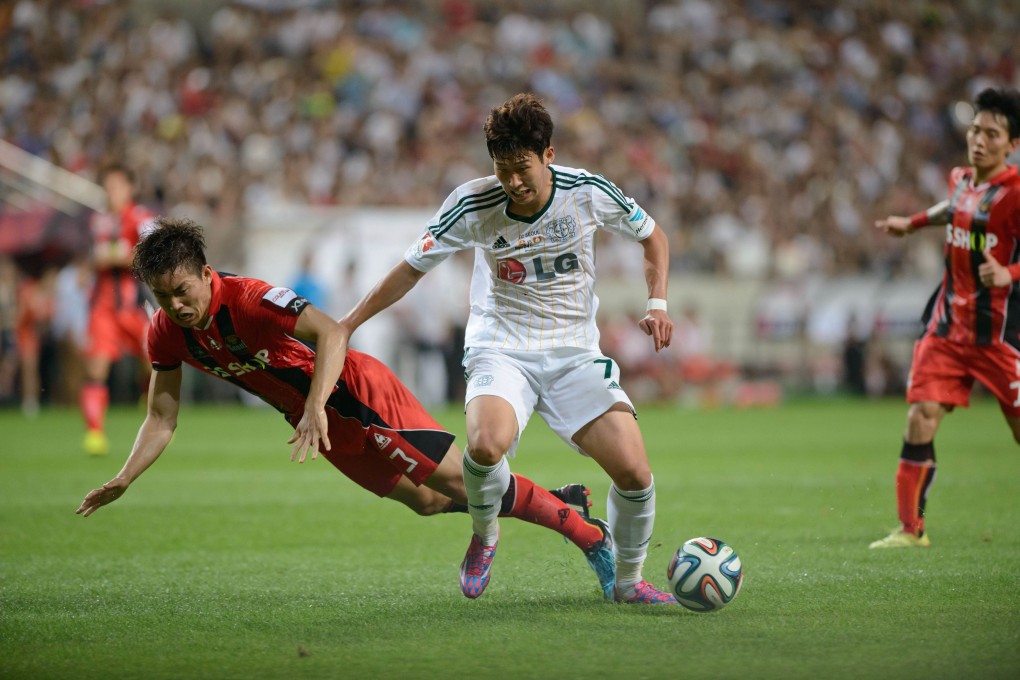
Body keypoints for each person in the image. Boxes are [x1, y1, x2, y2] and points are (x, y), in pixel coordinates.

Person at [76, 218, 615, 599]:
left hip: (355, 395)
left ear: (206, 272)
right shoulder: (166, 333)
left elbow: (333, 332)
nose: (175, 305)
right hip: (320, 423)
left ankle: (586, 534)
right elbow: (161, 417)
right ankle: (551, 498)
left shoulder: (248, 299)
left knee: (459, 481)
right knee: (426, 504)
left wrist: (314, 406)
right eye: (162, 296)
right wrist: (126, 477)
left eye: (181, 290)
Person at [335, 93, 676, 604]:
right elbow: (410, 269)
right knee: (484, 446)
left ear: (548, 156)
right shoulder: (473, 204)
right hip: (502, 346)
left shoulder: (586, 193)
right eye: (502, 169)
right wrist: (347, 324)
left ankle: (628, 582)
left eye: (522, 168)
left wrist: (658, 302)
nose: (512, 181)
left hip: (573, 352)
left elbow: (653, 238)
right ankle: (485, 533)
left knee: (635, 473)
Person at [870, 86, 1020, 549]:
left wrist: (1010, 273)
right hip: (946, 328)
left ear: (1011, 145)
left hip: (999, 336)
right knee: (921, 416)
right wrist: (910, 223)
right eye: (976, 129)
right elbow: (953, 210)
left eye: (992, 134)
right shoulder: (961, 179)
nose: (979, 139)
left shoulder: (1015, 193)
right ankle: (911, 530)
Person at [80, 163, 156, 455]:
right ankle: (94, 434)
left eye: (115, 186)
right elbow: (93, 257)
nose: (110, 193)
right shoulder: (98, 221)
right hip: (103, 307)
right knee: (96, 368)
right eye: (107, 187)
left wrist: (115, 256)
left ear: (129, 188)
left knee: (151, 364)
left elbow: (149, 252)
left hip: (136, 304)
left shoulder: (142, 217)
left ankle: (152, 411)